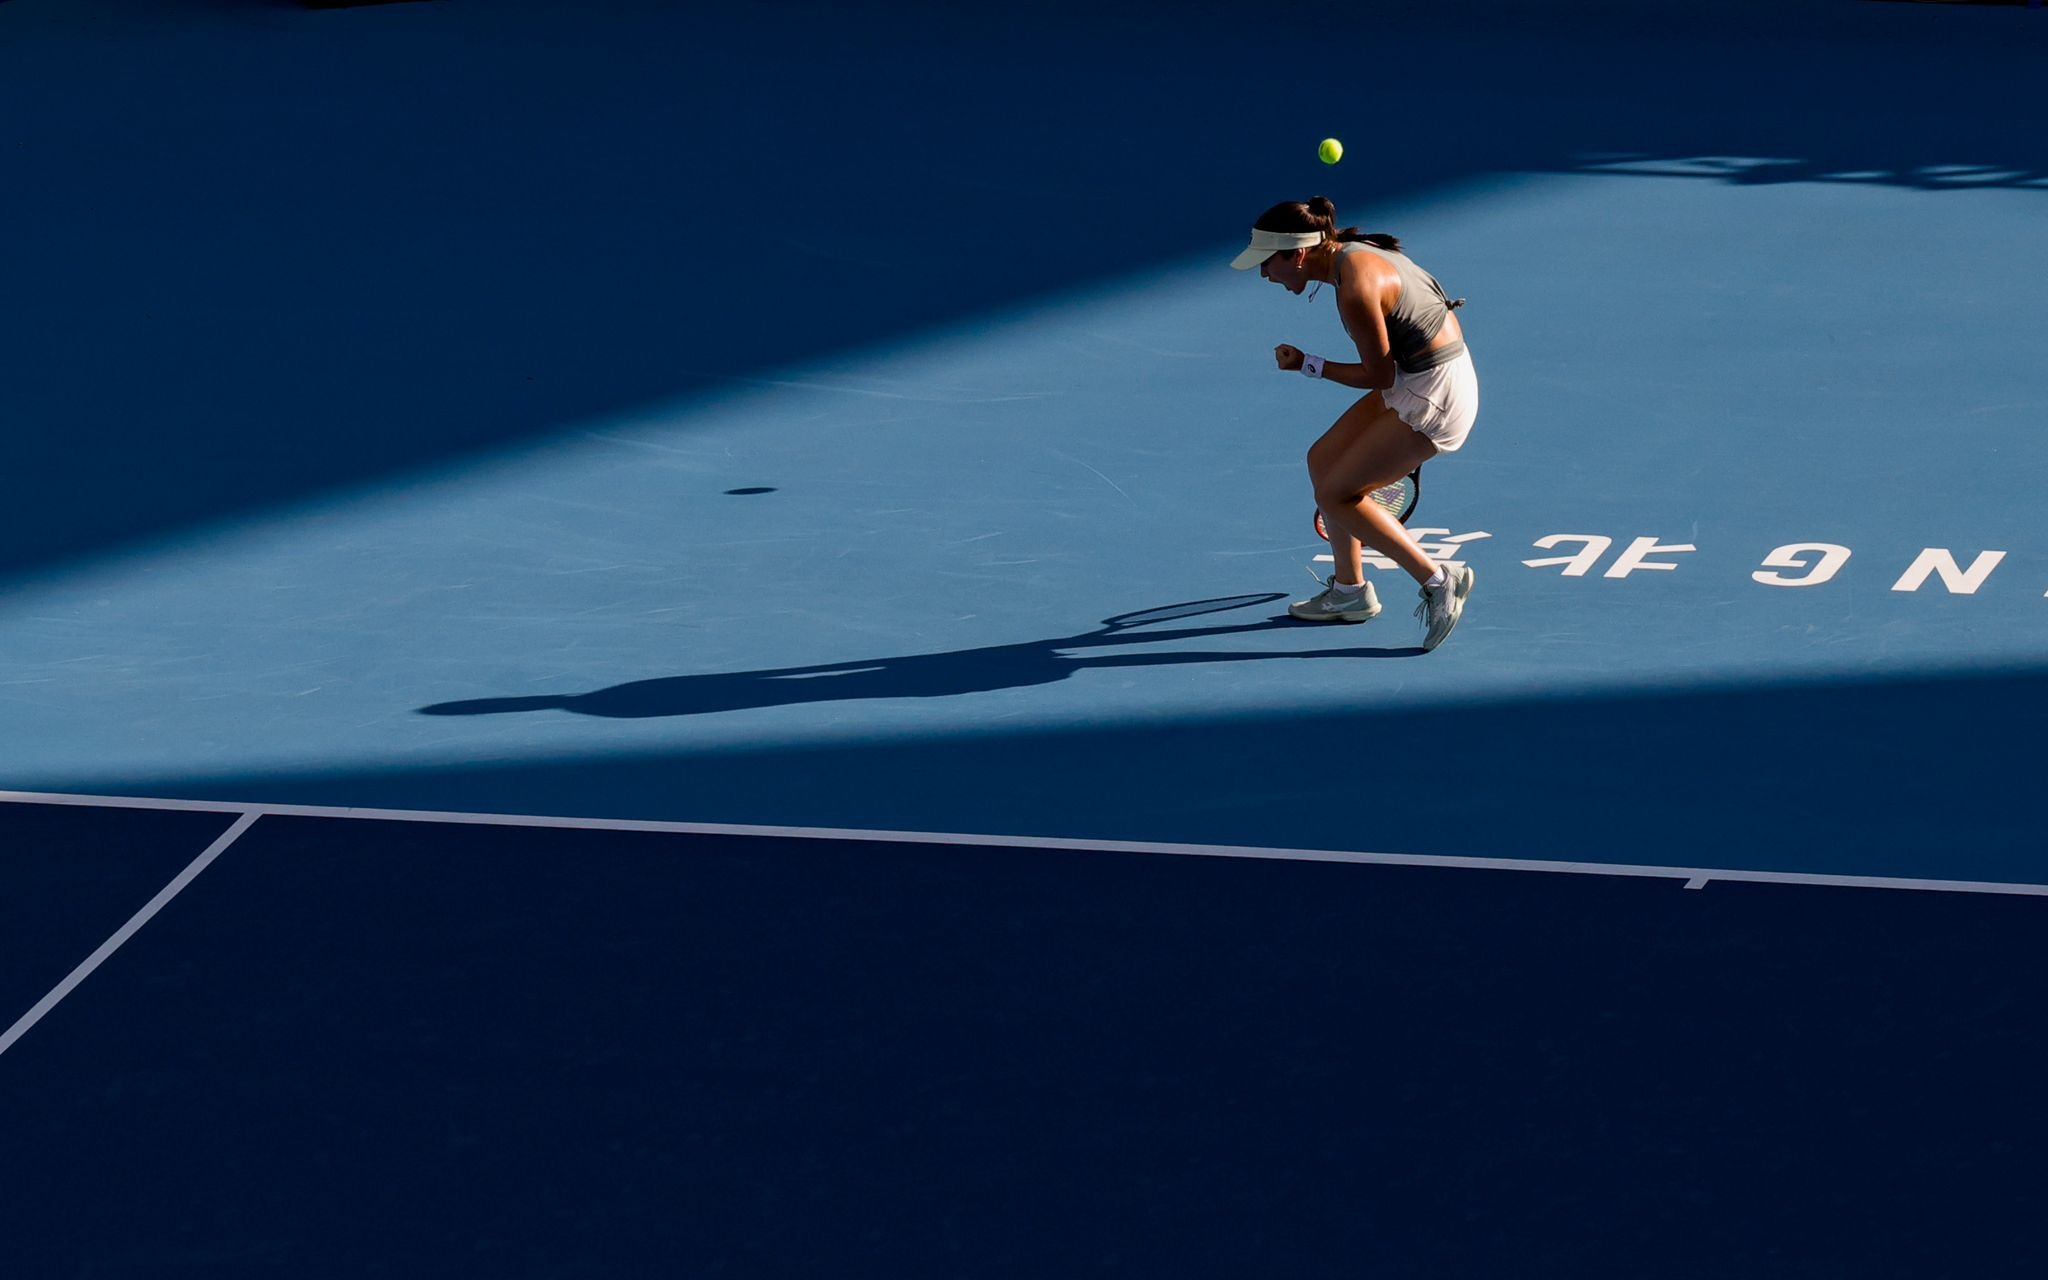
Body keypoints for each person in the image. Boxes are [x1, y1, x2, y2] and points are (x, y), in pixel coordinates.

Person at [1231, 196, 1479, 651]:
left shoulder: (1355, 288)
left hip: (1433, 394)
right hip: (1418, 375)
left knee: (1336, 494)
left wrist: (1309, 363)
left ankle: (1439, 578)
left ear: (1298, 254)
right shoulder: (1352, 252)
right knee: (1322, 460)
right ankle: (1349, 592)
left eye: (1268, 264)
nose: (1265, 274)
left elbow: (1378, 376)